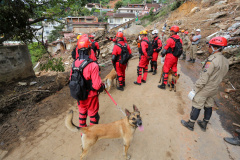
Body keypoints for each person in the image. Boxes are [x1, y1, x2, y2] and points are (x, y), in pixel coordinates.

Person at [181, 37, 229, 131]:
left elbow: (204, 78)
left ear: (215, 48)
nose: (208, 48)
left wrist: (195, 89)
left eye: (210, 46)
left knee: (197, 103)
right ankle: (204, 123)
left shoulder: (212, 60)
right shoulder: (225, 60)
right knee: (209, 104)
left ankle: (190, 124)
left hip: (206, 87)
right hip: (215, 87)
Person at [69, 36, 105, 128]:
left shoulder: (74, 64)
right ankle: (92, 134)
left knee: (82, 113)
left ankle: (83, 134)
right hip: (91, 96)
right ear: (89, 49)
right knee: (93, 115)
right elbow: (97, 86)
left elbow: (71, 79)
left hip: (79, 94)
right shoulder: (93, 65)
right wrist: (102, 86)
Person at [158, 25, 182, 89]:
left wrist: (162, 55)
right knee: (174, 70)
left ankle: (163, 84)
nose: (170, 32)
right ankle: (173, 84)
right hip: (175, 57)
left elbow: (164, 50)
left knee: (166, 70)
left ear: (173, 32)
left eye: (171, 31)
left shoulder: (170, 40)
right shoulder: (180, 39)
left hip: (169, 57)